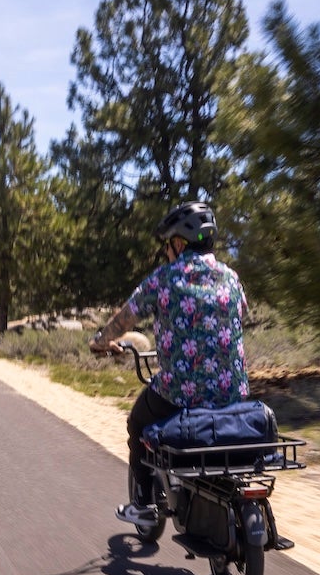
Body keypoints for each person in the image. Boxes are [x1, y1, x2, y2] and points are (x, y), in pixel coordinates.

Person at [91, 202, 260, 532]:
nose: (167, 252)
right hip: (234, 392)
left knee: (138, 422)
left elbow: (126, 318)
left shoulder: (164, 278)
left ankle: (143, 505)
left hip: (180, 391)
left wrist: (100, 340)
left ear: (179, 243)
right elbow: (240, 313)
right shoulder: (231, 277)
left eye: (168, 245)